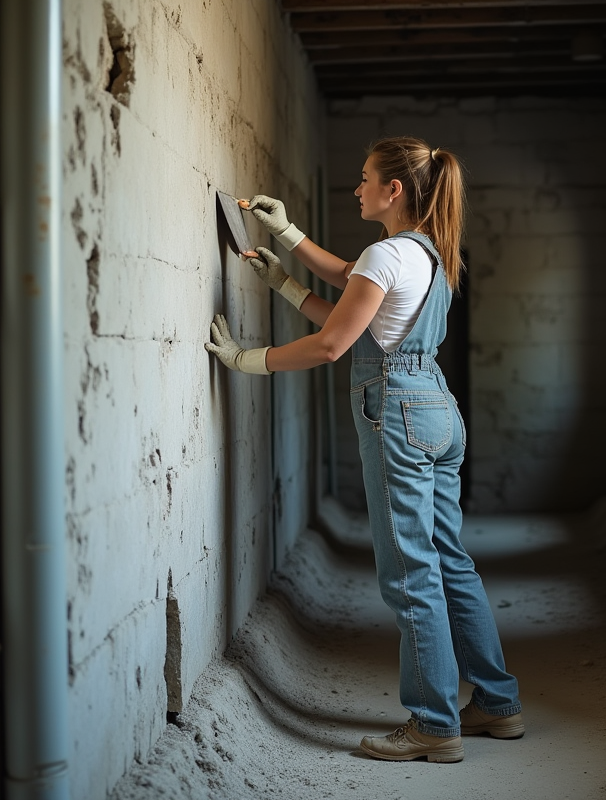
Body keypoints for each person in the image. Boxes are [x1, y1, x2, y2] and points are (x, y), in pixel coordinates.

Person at [205, 136, 522, 763]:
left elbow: (332, 344)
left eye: (365, 177)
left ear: (393, 190)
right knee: (449, 559)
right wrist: (289, 256)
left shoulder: (385, 254)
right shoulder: (430, 254)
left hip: (399, 411)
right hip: (438, 408)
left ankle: (433, 723)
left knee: (409, 570)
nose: (356, 188)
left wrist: (249, 360)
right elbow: (354, 300)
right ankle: (496, 702)